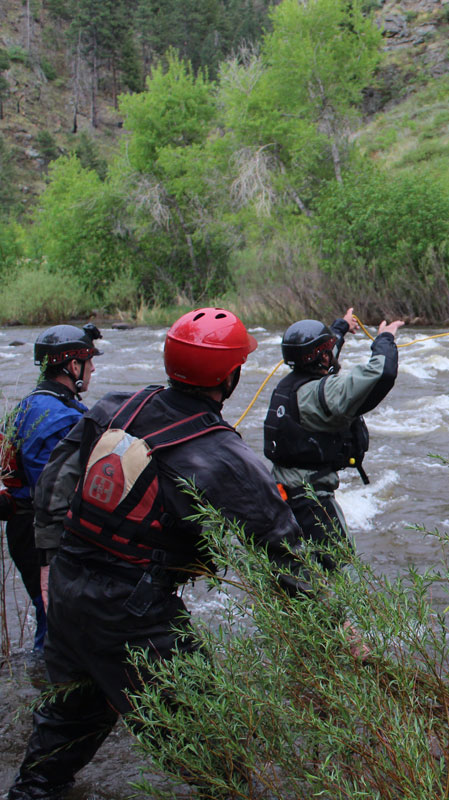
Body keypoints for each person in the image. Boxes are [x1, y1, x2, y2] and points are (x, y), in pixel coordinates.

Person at [6, 307, 313, 800]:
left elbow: (53, 490)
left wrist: (50, 566)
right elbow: (285, 551)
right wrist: (334, 629)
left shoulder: (112, 406)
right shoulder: (223, 457)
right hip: (134, 611)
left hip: (69, 589)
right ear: (231, 376)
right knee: (215, 752)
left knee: (66, 726)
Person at [264, 308, 401, 567]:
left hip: (284, 495)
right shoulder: (325, 394)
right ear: (320, 356)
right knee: (338, 576)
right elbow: (381, 372)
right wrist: (385, 338)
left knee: (298, 573)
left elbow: (325, 357)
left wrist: (340, 327)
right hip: (312, 501)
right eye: (326, 349)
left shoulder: (292, 385)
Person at [1, 323, 102, 654]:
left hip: (19, 530)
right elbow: (60, 496)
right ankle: (52, 693)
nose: (93, 369)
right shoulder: (64, 418)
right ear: (74, 366)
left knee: (49, 613)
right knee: (58, 622)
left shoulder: (23, 407)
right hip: (45, 537)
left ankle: (45, 686)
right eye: (89, 362)